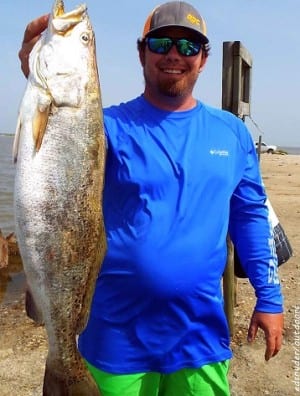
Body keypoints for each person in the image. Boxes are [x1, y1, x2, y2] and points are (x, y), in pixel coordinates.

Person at [18, 2, 284, 395]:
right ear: (142, 52)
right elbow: (60, 146)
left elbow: (249, 218)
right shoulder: (106, 127)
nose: (174, 54)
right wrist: (36, 72)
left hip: (200, 340)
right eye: (161, 43)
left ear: (204, 59)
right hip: (114, 341)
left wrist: (270, 298)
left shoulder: (232, 134)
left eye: (189, 46)